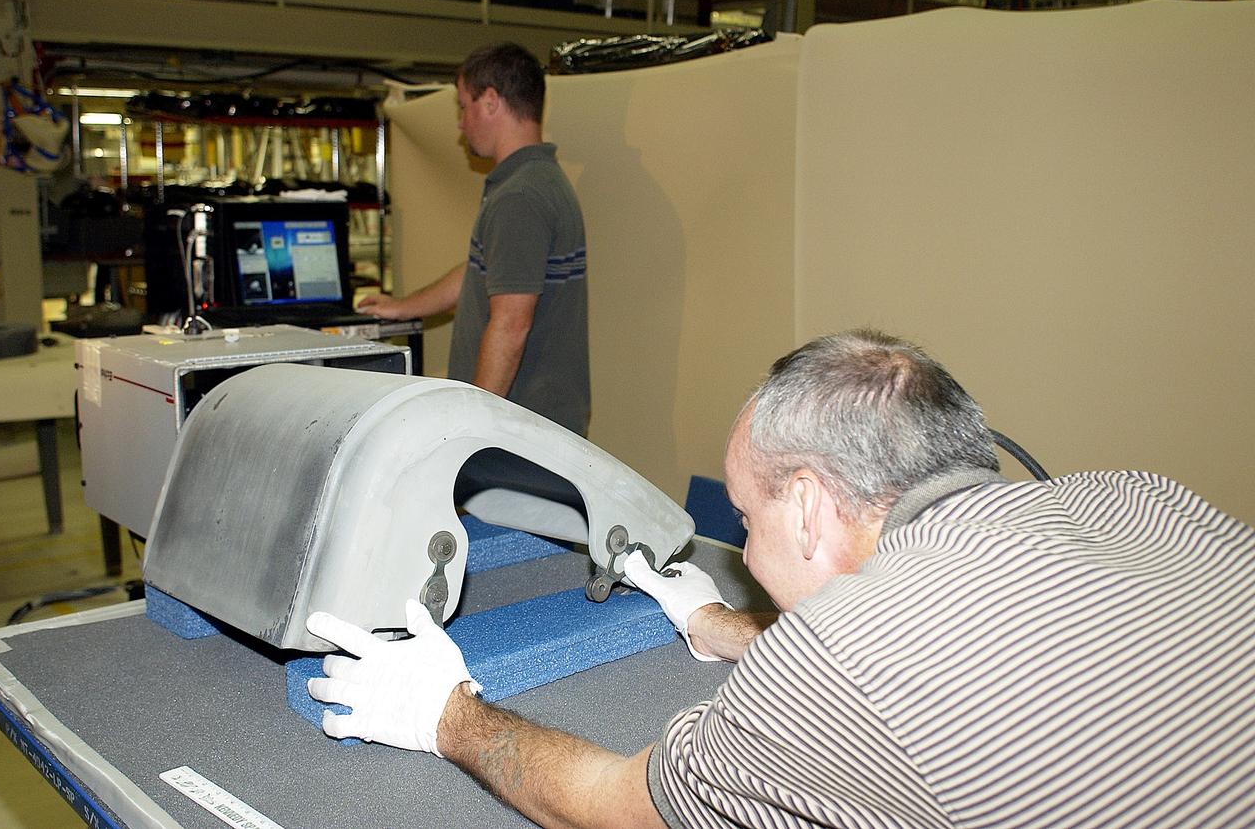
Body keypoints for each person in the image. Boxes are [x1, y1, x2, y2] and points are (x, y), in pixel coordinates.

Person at [305, 329, 1255, 829]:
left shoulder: (841, 664)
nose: (746, 544)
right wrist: (719, 621)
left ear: (807, 507)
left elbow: (614, 808)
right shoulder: (1144, 496)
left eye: (748, 521)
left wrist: (446, 713)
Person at [358, 41, 589, 437]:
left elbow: (511, 325)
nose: (461, 124)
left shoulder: (520, 197)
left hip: (520, 439)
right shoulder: (533, 182)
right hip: (532, 433)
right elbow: (485, 274)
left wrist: (471, 431)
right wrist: (402, 307)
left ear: (491, 102)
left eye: (463, 106)